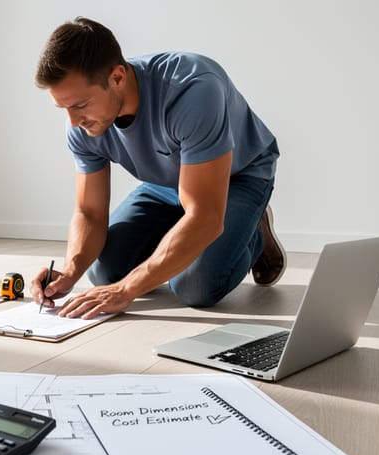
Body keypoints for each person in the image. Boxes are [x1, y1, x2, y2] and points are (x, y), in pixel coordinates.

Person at [31, 17, 285, 319]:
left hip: (240, 176)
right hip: (167, 181)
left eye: (80, 105)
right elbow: (89, 212)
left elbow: (204, 216)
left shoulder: (193, 90)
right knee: (104, 271)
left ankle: (253, 231)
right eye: (64, 108)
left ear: (117, 78)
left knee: (195, 286)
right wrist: (70, 271)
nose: (73, 122)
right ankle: (183, 231)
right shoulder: (81, 125)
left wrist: (126, 290)